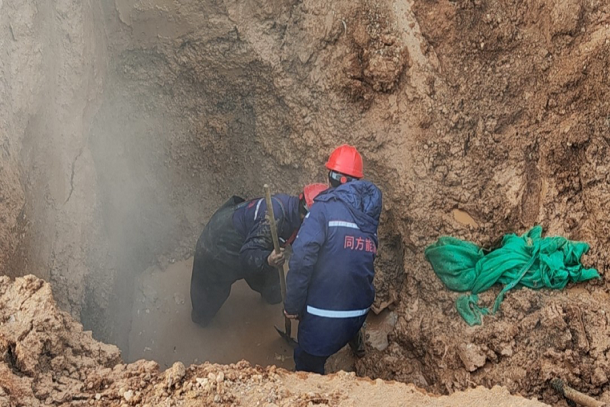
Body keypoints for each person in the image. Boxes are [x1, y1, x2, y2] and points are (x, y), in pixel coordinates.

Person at [284, 144, 382, 374]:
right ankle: (356, 346)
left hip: (324, 322)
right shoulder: (369, 216)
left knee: (306, 367)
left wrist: (292, 306)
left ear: (333, 177)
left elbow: (300, 260)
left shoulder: (322, 210)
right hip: (359, 314)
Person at [190, 183, 328, 327]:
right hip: (219, 246)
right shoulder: (273, 219)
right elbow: (247, 256)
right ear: (307, 214)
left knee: (274, 293)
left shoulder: (296, 216)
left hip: (255, 243)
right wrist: (268, 259)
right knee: (203, 313)